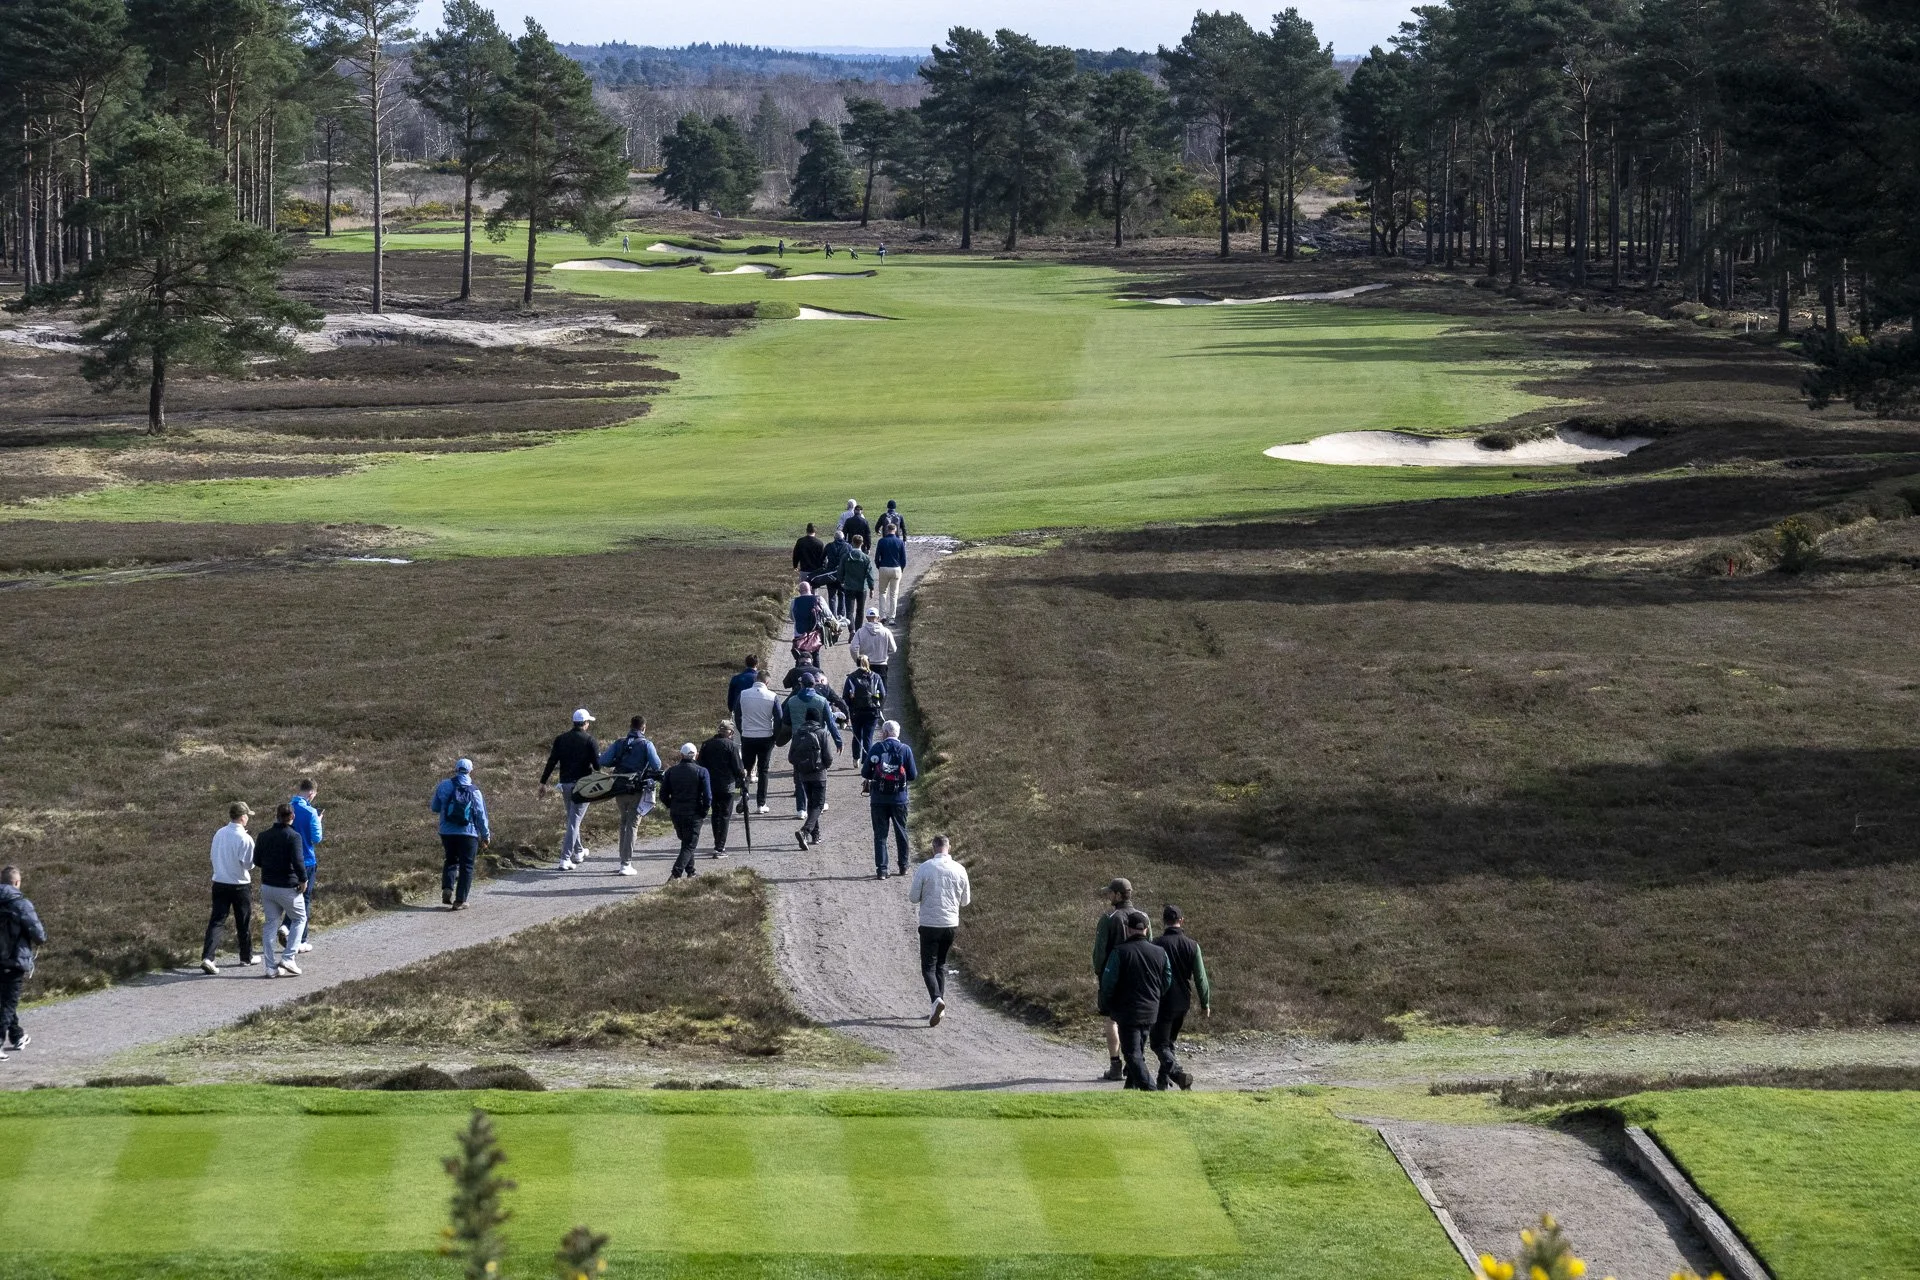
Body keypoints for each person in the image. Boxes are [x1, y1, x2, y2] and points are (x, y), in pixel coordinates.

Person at [1098, 909, 1172, 1090]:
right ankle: (1130, 1087)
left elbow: (1108, 982)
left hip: (1127, 1010)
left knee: (1132, 1054)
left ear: (1128, 929)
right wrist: (1156, 995)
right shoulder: (1160, 952)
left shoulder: (1119, 952)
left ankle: (1150, 1090)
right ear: (1146, 929)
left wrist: (1107, 1003)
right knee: (1139, 1048)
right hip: (1151, 1008)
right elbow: (1167, 979)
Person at [907, 835, 969, 1025]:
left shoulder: (925, 868)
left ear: (933, 848)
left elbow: (913, 897)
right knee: (940, 965)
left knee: (928, 967)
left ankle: (936, 1000)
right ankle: (938, 1007)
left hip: (929, 924)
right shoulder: (960, 869)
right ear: (949, 847)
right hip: (950, 924)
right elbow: (965, 901)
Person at [1092, 877, 1148, 1081]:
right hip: (1140, 976)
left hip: (1114, 975)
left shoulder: (1109, 918)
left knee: (1112, 1019)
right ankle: (1135, 1061)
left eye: (1110, 892)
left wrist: (1100, 972)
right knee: (1137, 1019)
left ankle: (1115, 1064)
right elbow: (1148, 945)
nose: (1108, 895)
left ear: (1117, 895)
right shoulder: (1144, 916)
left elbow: (1099, 952)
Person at [1151, 905, 1211, 1090]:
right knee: (1169, 1041)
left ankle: (1178, 1074)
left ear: (1164, 921)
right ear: (1182, 921)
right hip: (1183, 1000)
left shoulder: (1156, 944)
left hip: (1162, 999)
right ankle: (1162, 1082)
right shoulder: (1192, 945)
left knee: (1158, 1044)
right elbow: (1200, 977)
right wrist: (1205, 1003)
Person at [601, 716, 662, 876]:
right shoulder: (646, 744)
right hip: (636, 789)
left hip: (619, 787)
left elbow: (604, 760)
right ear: (644, 727)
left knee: (623, 822)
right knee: (633, 824)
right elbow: (657, 765)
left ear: (630, 726)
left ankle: (623, 860)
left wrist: (617, 761)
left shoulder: (619, 742)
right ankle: (626, 863)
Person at [540, 708, 600, 871]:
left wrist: (543, 782)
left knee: (573, 819)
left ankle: (578, 852)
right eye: (588, 722)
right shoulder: (590, 740)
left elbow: (552, 761)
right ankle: (565, 858)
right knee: (574, 821)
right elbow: (597, 766)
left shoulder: (561, 739)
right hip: (583, 786)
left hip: (565, 784)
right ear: (585, 723)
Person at [786, 673, 840, 848]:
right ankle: (806, 831)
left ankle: (814, 834)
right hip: (818, 766)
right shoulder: (821, 703)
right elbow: (831, 726)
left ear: (801, 684)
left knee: (810, 800)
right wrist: (837, 742)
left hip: (801, 762)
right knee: (818, 803)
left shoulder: (793, 703)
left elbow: (785, 723)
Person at [202, 801, 256, 973]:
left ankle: (208, 957)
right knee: (243, 921)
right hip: (240, 885)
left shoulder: (219, 833)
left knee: (217, 921)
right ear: (242, 817)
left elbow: (212, 855)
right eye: (247, 815)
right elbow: (248, 864)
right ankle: (246, 957)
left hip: (219, 882)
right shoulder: (245, 838)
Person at [256, 804, 308, 978]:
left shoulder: (263, 836)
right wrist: (303, 880)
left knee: (271, 924)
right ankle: (288, 958)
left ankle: (270, 968)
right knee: (299, 918)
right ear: (292, 816)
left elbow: (257, 861)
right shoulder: (294, 836)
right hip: (287, 887)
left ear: (277, 816)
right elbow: (298, 861)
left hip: (267, 886)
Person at [861, 720, 918, 879]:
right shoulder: (905, 749)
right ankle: (903, 866)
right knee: (901, 831)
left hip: (878, 799)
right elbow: (913, 775)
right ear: (897, 733)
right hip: (899, 799)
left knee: (880, 834)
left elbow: (865, 772)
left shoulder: (876, 748)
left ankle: (882, 870)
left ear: (885, 733)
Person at [0, 865, 46, 1058]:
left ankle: (17, 1035)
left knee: (5, 1000)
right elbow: (38, 933)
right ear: (17, 882)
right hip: (14, 960)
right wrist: (40, 940)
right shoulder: (21, 904)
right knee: (8, 1003)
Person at [432, 759, 491, 908]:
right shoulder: (475, 791)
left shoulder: (444, 785)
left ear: (456, 769)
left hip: (446, 832)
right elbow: (481, 816)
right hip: (468, 833)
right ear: (471, 771)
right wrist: (485, 836)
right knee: (467, 866)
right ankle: (460, 901)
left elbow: (434, 807)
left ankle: (447, 888)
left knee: (451, 860)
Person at [659, 743, 712, 879]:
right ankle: (675, 874)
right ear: (696, 755)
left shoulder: (671, 771)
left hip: (676, 813)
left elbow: (663, 794)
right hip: (694, 813)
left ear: (681, 755)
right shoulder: (702, 771)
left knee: (686, 842)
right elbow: (708, 796)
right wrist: (704, 811)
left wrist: (671, 805)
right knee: (689, 845)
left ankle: (691, 871)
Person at [698, 723, 748, 856]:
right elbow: (738, 768)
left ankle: (717, 842)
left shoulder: (706, 744)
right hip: (727, 786)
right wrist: (743, 775)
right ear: (730, 732)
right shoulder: (731, 746)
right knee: (725, 815)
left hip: (711, 785)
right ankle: (720, 847)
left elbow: (700, 765)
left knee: (715, 814)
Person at [736, 670, 781, 814]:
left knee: (746, 768)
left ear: (756, 679)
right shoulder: (772, 696)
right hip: (765, 737)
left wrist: (742, 730)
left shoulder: (743, 694)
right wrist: (774, 736)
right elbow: (779, 719)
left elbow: (737, 716)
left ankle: (744, 794)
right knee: (763, 770)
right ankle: (761, 804)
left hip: (748, 736)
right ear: (767, 682)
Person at [288, 779, 322, 954]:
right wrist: (318, 820)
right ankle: (301, 939)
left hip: (288, 860)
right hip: (306, 860)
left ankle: (286, 927)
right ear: (311, 793)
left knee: (290, 897)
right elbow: (316, 838)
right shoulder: (311, 812)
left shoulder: (287, 808)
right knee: (305, 899)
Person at [843, 655, 887, 759]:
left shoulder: (851, 677)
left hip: (856, 712)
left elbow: (845, 696)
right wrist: (878, 705)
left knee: (856, 735)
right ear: (869, 663)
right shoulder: (876, 677)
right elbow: (883, 694)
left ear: (857, 663)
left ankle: (856, 758)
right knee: (868, 737)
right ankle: (866, 760)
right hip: (872, 711)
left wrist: (850, 707)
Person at [839, 534, 875, 632]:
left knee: (849, 611)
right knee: (860, 610)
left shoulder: (846, 557)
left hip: (849, 587)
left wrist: (841, 581)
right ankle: (858, 631)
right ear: (862, 543)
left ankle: (852, 631)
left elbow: (840, 571)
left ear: (852, 543)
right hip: (862, 588)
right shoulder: (866, 558)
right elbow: (870, 574)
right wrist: (871, 588)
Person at [850, 608, 897, 684]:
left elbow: (853, 648)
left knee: (866, 688)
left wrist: (859, 661)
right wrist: (884, 652)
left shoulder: (860, 632)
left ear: (867, 618)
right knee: (881, 689)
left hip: (866, 665)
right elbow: (893, 649)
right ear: (878, 618)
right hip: (881, 666)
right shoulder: (886, 631)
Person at [874, 526, 907, 623]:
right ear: (895, 530)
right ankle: (892, 617)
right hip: (896, 568)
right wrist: (901, 569)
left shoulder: (881, 541)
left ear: (887, 530)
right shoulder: (900, 542)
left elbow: (877, 557)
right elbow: (903, 559)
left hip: (884, 567)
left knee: (882, 592)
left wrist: (879, 566)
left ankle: (882, 616)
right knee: (893, 594)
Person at [819, 529, 851, 618]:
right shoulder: (848, 546)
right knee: (842, 594)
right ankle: (841, 614)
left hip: (830, 574)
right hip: (842, 575)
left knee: (831, 596)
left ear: (834, 538)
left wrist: (825, 567)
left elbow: (822, 558)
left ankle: (833, 615)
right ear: (843, 538)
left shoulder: (829, 546)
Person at [727, 654, 760, 725]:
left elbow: (730, 697)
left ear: (745, 663)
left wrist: (731, 709)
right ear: (757, 664)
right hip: (754, 711)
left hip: (738, 710)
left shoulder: (736, 678)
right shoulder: (760, 679)